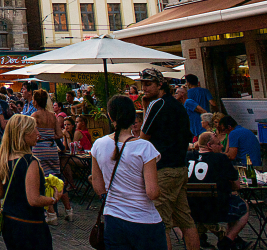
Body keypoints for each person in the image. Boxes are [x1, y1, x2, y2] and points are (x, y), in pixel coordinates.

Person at [92, 94, 165, 250]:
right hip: (144, 219)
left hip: (113, 217)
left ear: (110, 116)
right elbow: (152, 192)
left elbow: (98, 186)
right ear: (133, 118)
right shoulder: (145, 147)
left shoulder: (98, 144)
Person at [137, 68, 197, 250]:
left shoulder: (159, 104)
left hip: (163, 170)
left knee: (160, 223)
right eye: (143, 84)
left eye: (148, 84)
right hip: (179, 167)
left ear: (160, 84)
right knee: (185, 220)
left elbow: (144, 136)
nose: (144, 88)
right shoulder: (177, 105)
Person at [0, 114, 61, 250]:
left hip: (9, 222)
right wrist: (53, 199)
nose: (38, 133)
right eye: (34, 129)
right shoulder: (30, 161)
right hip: (30, 224)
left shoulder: (2, 160)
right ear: (22, 134)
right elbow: (34, 199)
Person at [186, 132, 249, 250]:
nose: (222, 147)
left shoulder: (188, 157)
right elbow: (236, 185)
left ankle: (198, 238)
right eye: (219, 144)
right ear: (209, 145)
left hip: (190, 209)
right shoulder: (221, 158)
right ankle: (228, 239)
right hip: (215, 209)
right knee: (243, 206)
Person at [31, 88, 73, 224]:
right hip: (52, 149)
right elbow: (60, 135)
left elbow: (34, 134)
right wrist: (51, 136)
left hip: (39, 150)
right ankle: (68, 210)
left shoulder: (34, 116)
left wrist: (42, 137)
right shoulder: (52, 116)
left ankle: (51, 214)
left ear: (36, 101)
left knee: (43, 181)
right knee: (57, 179)